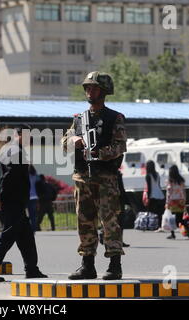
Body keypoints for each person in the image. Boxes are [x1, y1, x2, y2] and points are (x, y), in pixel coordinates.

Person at [61, 71, 126, 281]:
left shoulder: (114, 118)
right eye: (88, 88)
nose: (90, 91)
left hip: (106, 177)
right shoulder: (79, 119)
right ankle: (87, 264)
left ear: (104, 91)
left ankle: (115, 264)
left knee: (110, 221)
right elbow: (64, 142)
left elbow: (120, 147)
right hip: (82, 177)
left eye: (94, 88)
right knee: (84, 221)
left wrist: (99, 152)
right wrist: (74, 142)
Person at [0, 125, 47, 282]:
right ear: (19, 135)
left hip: (13, 200)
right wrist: (0, 198)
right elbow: (8, 178)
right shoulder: (17, 152)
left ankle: (31, 269)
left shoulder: (6, 149)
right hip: (12, 200)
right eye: (29, 136)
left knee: (26, 235)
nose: (31, 139)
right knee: (8, 235)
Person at [165, 165, 186, 239]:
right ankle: (188, 228)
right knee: (180, 219)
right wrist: (184, 200)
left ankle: (172, 234)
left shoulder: (170, 181)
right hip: (181, 201)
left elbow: (169, 192)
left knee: (171, 219)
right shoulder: (181, 180)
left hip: (173, 202)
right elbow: (184, 190)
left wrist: (167, 202)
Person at [144, 160, 165, 231]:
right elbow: (158, 185)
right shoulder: (157, 174)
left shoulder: (148, 176)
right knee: (159, 212)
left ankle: (150, 225)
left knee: (151, 212)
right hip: (160, 194)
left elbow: (149, 188)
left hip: (152, 195)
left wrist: (148, 197)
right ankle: (159, 226)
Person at [27, 165, 39, 233]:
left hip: (27, 197)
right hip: (34, 197)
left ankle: (26, 228)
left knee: (24, 214)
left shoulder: (26, 175)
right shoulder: (35, 176)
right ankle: (33, 229)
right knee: (33, 215)